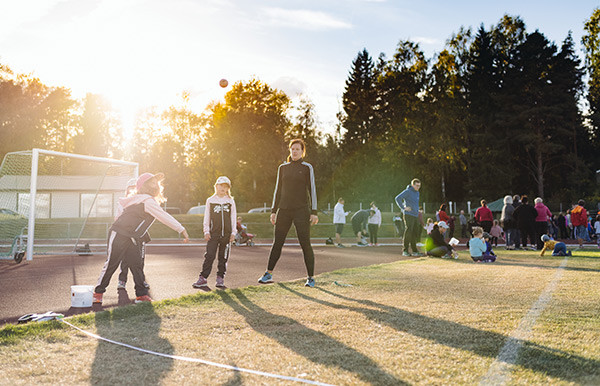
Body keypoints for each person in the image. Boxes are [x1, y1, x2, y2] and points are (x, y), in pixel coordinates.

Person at [93, 173, 190, 304]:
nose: (156, 185)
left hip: (132, 237)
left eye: (157, 183)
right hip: (119, 233)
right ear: (145, 187)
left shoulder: (143, 199)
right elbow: (163, 216)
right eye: (152, 183)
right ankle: (98, 292)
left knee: (136, 264)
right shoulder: (146, 201)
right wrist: (181, 229)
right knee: (112, 263)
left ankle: (141, 294)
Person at [258, 139, 319, 288]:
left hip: (301, 211)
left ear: (302, 151)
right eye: (292, 149)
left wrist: (314, 212)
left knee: (305, 243)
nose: (294, 151)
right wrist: (273, 211)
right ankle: (268, 273)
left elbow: (312, 190)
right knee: (277, 243)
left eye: (297, 149)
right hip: (284, 210)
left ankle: (310, 277)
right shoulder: (282, 168)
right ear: (290, 151)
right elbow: (277, 190)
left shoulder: (307, 167)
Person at [193, 176, 237, 289]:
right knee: (210, 255)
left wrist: (233, 232)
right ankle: (203, 278)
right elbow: (206, 217)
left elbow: (233, 217)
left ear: (228, 188)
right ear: (216, 186)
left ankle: (220, 278)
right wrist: (206, 231)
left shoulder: (230, 201)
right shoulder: (210, 201)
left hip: (227, 235)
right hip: (214, 234)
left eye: (226, 186)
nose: (223, 188)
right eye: (221, 185)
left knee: (223, 257)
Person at [117, 178, 150, 291]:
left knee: (140, 259)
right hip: (125, 234)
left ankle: (141, 280)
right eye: (129, 188)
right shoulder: (123, 202)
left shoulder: (142, 201)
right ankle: (122, 280)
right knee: (124, 259)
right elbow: (118, 217)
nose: (131, 191)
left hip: (139, 235)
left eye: (133, 188)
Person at [395, 178, 422, 257]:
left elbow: (415, 203)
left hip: (415, 215)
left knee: (414, 233)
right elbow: (397, 198)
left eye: (419, 186)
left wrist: (417, 211)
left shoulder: (417, 193)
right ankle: (405, 250)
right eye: (417, 186)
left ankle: (414, 250)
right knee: (409, 231)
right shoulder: (408, 191)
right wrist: (403, 207)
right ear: (413, 185)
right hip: (408, 215)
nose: (418, 187)